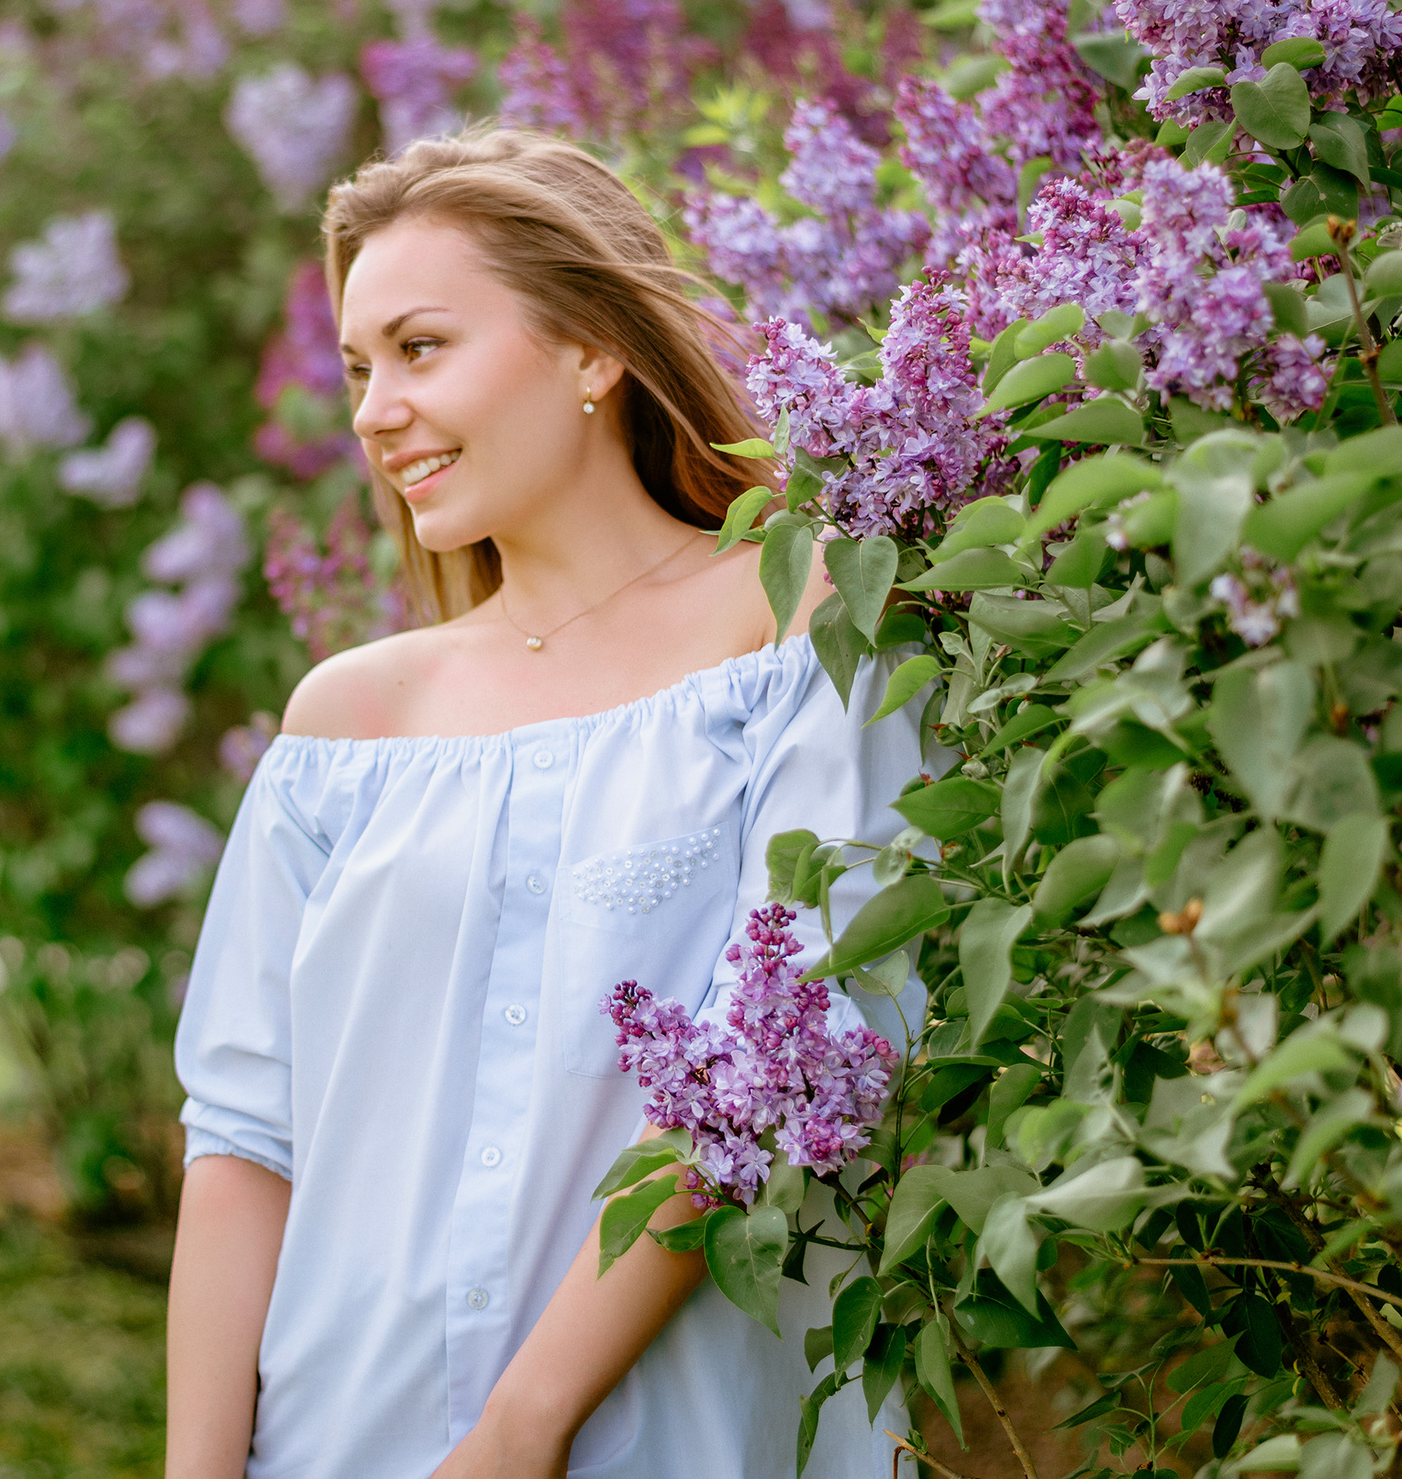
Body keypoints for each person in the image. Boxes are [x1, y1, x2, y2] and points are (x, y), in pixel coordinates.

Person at [164, 129, 927, 1479]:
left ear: (591, 350)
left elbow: (785, 1040)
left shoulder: (797, 626)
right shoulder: (348, 725)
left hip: (665, 1443)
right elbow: (242, 1140)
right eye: (358, 368)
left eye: (420, 348)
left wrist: (523, 1428)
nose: (373, 410)